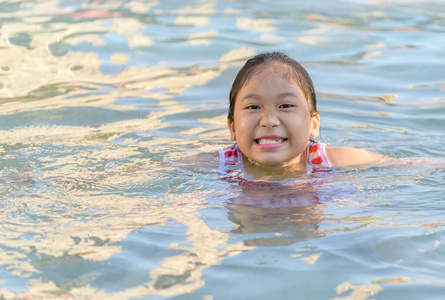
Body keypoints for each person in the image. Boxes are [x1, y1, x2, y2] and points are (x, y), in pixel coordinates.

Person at [218, 51, 388, 181]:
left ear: (313, 124)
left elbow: (406, 167)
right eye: (253, 107)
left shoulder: (330, 160)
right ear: (232, 127)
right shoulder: (221, 165)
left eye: (285, 106)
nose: (269, 121)